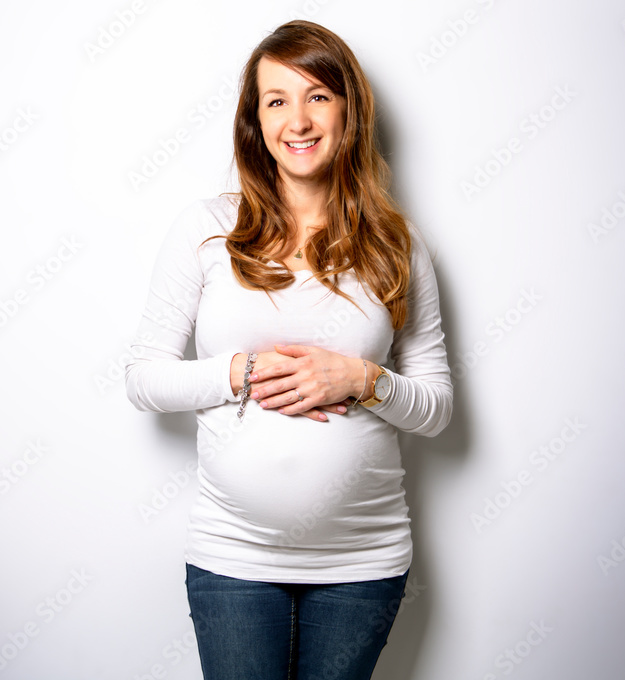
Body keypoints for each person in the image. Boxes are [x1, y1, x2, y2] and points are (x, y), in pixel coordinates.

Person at [124, 19, 453, 680]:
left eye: (317, 96)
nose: (297, 120)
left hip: (364, 561)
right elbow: (143, 379)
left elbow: (438, 408)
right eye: (276, 100)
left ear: (348, 110)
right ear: (256, 121)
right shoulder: (208, 230)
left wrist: (363, 377)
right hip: (233, 557)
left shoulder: (398, 243)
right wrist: (241, 370)